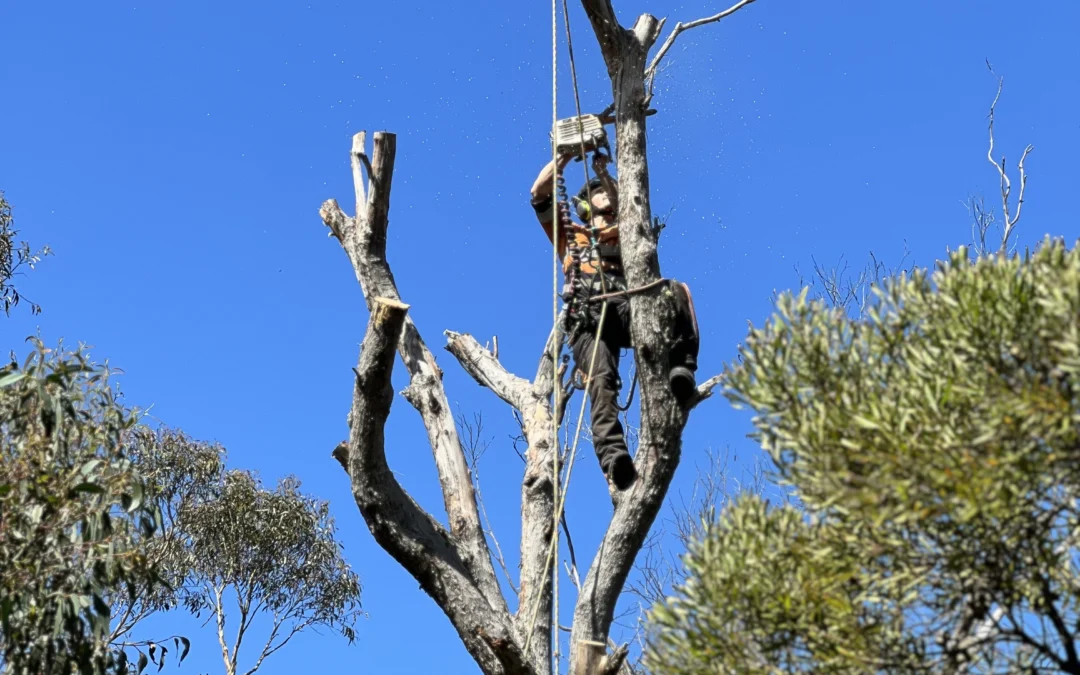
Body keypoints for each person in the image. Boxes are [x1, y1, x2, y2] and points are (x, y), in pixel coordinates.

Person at [529, 151, 700, 492]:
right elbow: (539, 194)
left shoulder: (631, 238)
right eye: (599, 192)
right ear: (585, 205)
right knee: (601, 382)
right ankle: (615, 460)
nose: (607, 196)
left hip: (625, 311)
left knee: (674, 291)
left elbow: (631, 200)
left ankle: (681, 366)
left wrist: (605, 173)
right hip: (587, 319)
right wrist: (562, 158)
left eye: (609, 193)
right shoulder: (570, 234)